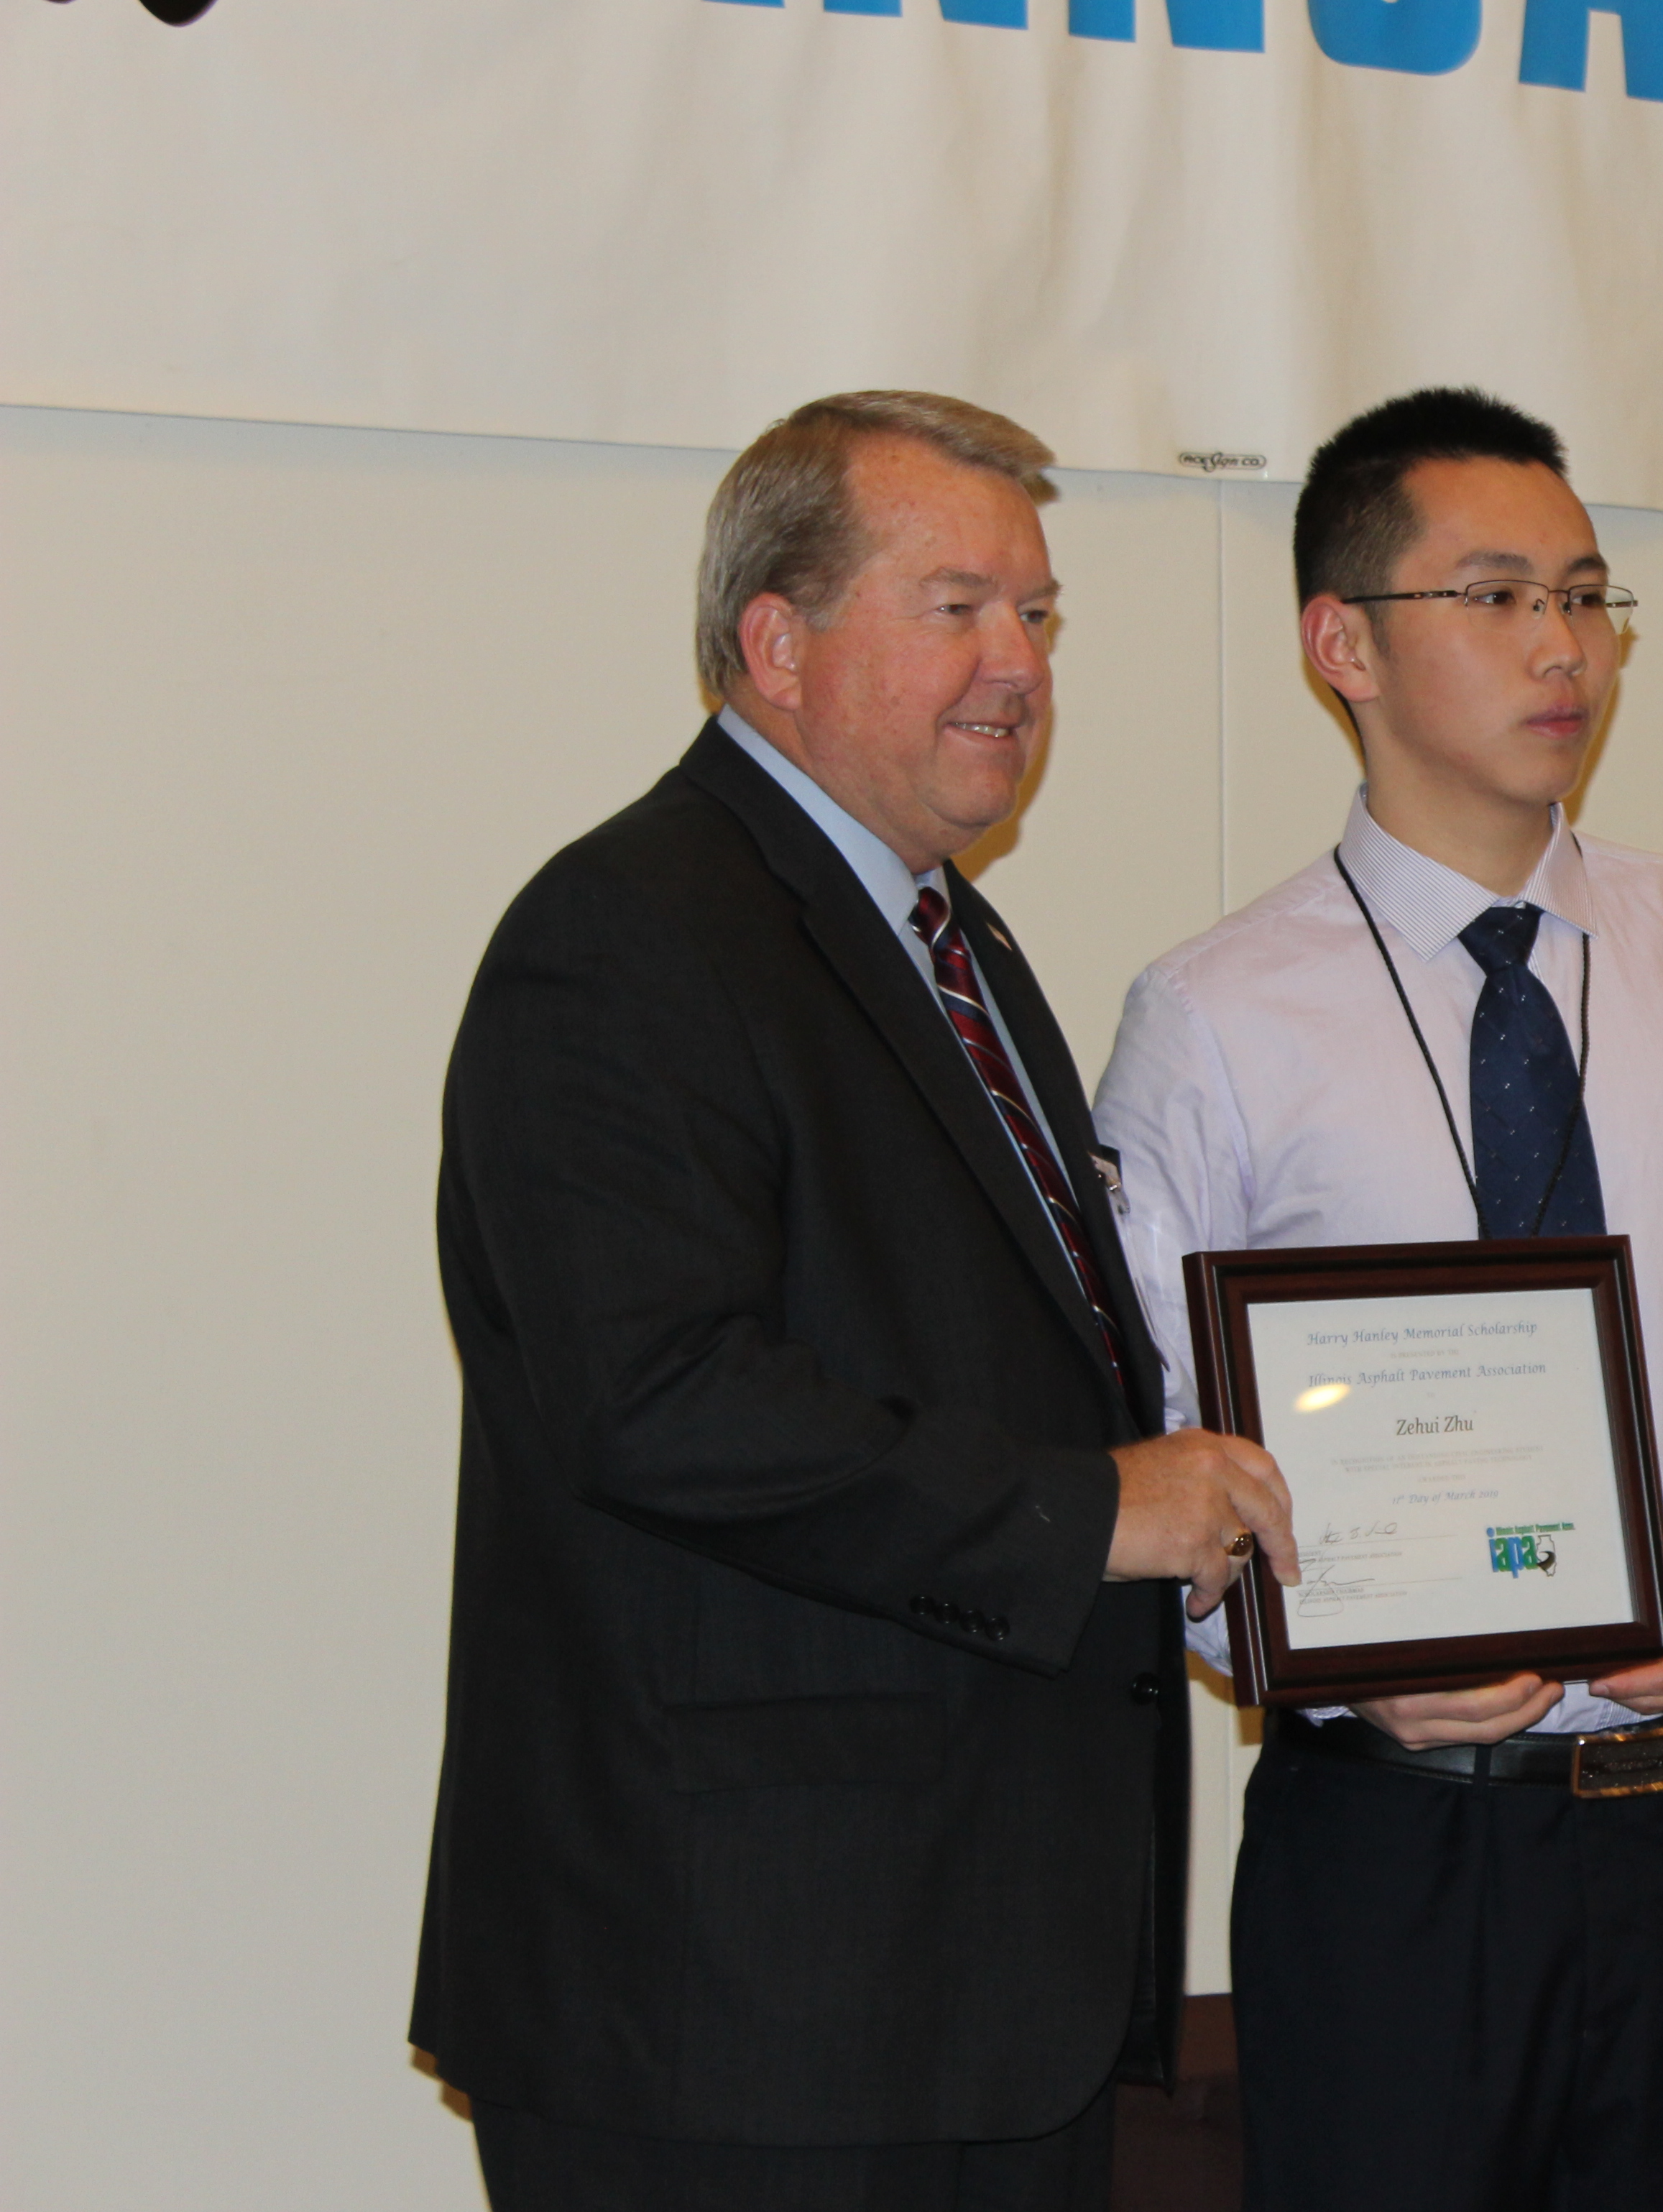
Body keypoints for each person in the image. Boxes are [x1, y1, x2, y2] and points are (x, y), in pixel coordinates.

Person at [413, 390, 1294, 2211]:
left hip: (971, 1993)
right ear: (775, 643)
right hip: (740, 2012)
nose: (1017, 666)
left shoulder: (952, 943)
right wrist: (1097, 1509)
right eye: (956, 604)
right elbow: (659, 1398)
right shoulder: (630, 934)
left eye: (1038, 617)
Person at [1095, 384, 1663, 2212]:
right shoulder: (1217, 1013)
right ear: (1343, 645)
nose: (1564, 649)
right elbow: (1160, 1442)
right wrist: (1319, 1666)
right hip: (1403, 1851)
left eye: (1589, 595)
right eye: (1495, 597)